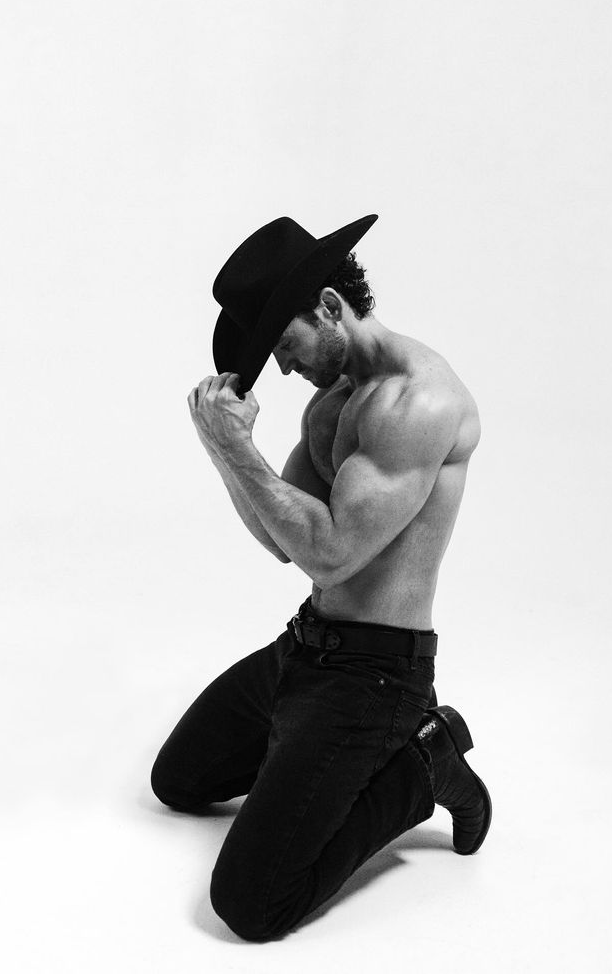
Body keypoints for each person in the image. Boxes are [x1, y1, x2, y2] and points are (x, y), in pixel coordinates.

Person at [150, 213, 492, 941]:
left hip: (375, 681)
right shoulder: (332, 403)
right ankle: (308, 761)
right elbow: (283, 541)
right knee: (177, 781)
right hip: (305, 649)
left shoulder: (417, 403)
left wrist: (239, 452)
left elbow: (333, 554)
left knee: (251, 905)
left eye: (285, 345)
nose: (282, 368)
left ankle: (423, 764)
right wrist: (223, 446)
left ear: (329, 306)